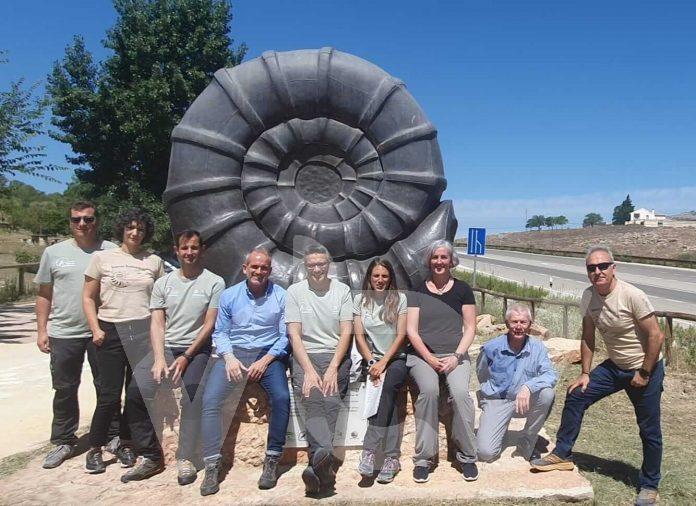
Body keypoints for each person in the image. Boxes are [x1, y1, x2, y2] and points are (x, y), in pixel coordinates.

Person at [531, 246, 665, 506]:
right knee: (576, 395)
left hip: (645, 368)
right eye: (591, 268)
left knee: (649, 429)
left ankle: (650, 485)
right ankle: (562, 454)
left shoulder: (631, 295)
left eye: (603, 266)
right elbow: (588, 336)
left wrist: (645, 372)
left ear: (613, 268)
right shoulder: (589, 296)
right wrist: (584, 373)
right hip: (615, 366)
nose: (597, 271)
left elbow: (656, 335)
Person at [121, 230, 224, 484]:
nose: (189, 252)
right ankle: (151, 456)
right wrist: (158, 358)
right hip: (165, 348)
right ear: (176, 250)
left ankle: (186, 457)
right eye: (184, 248)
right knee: (135, 392)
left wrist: (187, 356)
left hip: (197, 350)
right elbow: (157, 324)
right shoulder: (163, 284)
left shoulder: (214, 282)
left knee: (193, 395)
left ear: (202, 250)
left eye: (194, 247)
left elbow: (209, 325)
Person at [199, 248, 290, 496]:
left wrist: (267, 360)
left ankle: (272, 460)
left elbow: (285, 335)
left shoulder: (281, 296)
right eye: (255, 267)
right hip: (234, 354)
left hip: (268, 354)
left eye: (264, 268)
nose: (259, 272)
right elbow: (220, 332)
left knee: (282, 398)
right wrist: (228, 358)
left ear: (270, 271)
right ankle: (212, 463)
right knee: (210, 401)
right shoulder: (229, 296)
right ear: (245, 268)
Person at [34, 201, 119, 469]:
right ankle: (64, 440)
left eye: (88, 219)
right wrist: (41, 330)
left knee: (108, 387)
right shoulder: (53, 253)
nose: (82, 224)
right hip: (64, 331)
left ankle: (112, 434)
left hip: (102, 330)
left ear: (97, 221)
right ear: (69, 222)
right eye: (76, 220)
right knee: (65, 388)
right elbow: (44, 294)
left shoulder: (112, 251)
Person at [82, 209, 164, 473]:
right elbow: (87, 297)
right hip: (111, 329)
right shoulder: (102, 258)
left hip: (142, 331)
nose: (135, 233)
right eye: (130, 228)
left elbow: (161, 301)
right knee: (108, 395)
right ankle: (95, 448)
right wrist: (95, 328)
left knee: (135, 393)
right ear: (122, 230)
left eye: (140, 229)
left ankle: (127, 443)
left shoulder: (154, 261)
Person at [406, 239, 478, 483]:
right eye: (435, 257)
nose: (439, 262)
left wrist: (457, 357)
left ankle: (467, 456)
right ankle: (424, 459)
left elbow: (470, 327)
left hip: (455, 355)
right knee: (428, 392)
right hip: (423, 356)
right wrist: (428, 357)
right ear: (429, 260)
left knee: (460, 395)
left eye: (444, 257)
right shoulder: (418, 289)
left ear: (451, 261)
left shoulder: (463, 289)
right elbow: (412, 331)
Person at [286, 245, 353, 495]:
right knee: (313, 400)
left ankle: (317, 469)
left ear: (329, 264)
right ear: (305, 266)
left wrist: (334, 367)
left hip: (335, 355)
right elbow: (294, 332)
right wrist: (309, 370)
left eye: (321, 264)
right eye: (312, 264)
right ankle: (324, 466)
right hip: (306, 356)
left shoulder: (342, 291)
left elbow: (346, 330)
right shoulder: (295, 292)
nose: (317, 269)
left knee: (331, 401)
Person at [476, 303, 557, 463]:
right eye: (514, 322)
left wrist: (528, 387)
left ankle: (527, 439)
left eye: (523, 322)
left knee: (547, 393)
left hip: (523, 401)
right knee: (486, 453)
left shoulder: (538, 348)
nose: (518, 326)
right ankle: (500, 428)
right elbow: (481, 373)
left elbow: (550, 374)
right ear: (507, 324)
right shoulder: (492, 348)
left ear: (530, 325)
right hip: (498, 400)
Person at [354, 258, 408, 484]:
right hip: (372, 358)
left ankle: (369, 449)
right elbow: (359, 335)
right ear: (369, 277)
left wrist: (383, 363)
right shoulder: (360, 300)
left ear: (390, 279)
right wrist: (371, 361)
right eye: (376, 276)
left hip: (396, 358)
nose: (380, 280)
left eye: (384, 276)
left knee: (387, 385)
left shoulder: (399, 299)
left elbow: (401, 335)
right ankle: (391, 458)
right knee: (392, 400)